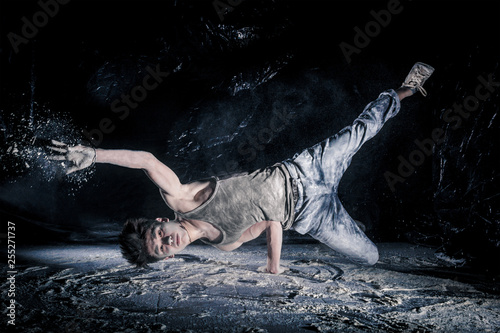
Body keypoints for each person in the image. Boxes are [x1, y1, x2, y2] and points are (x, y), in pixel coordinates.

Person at [49, 62, 435, 273]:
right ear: (166, 258)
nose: (170, 241)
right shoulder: (226, 244)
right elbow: (271, 224)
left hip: (302, 171)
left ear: (158, 220)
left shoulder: (184, 198)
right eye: (163, 250)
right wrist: (273, 266)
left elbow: (146, 161)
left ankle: (405, 88)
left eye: (160, 235)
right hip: (312, 215)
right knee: (370, 257)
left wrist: (94, 155)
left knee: (361, 130)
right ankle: (353, 222)